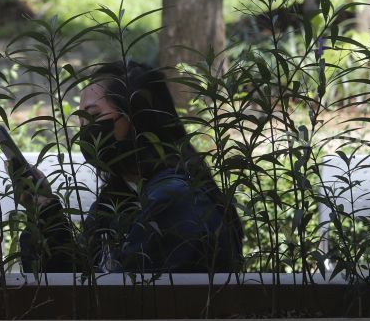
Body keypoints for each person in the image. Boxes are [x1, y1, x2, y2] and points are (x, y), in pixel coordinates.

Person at [16, 61, 243, 274]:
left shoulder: (173, 200)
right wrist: (46, 215)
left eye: (94, 115)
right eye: (81, 119)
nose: (84, 129)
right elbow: (79, 282)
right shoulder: (120, 196)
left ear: (136, 118)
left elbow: (121, 300)